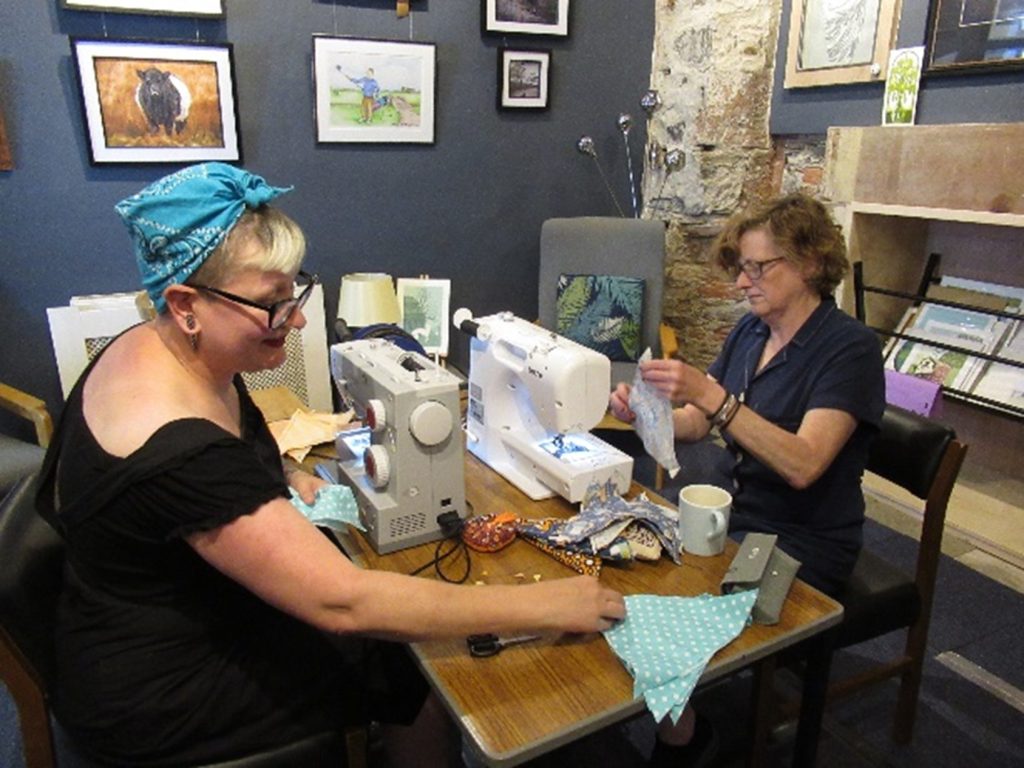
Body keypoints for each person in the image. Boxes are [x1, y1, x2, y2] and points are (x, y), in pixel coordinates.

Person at [36, 162, 626, 768]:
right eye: (271, 303)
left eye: (295, 292)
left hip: (145, 617)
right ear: (186, 303)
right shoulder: (179, 446)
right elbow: (344, 603)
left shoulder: (159, 347)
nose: (293, 319)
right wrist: (549, 603)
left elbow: (223, 457)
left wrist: (284, 476)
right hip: (164, 693)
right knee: (423, 662)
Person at [609, 193, 885, 766]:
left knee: (662, 612)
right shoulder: (751, 334)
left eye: (758, 268)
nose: (741, 282)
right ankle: (681, 724)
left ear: (810, 262)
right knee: (619, 574)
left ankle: (685, 738)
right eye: (740, 269)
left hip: (806, 540)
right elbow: (696, 422)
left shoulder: (851, 350)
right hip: (740, 515)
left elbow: (805, 463)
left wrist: (714, 396)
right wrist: (646, 414)